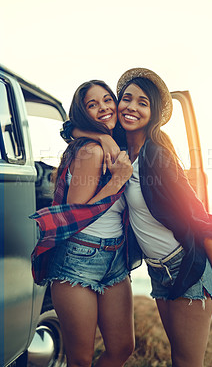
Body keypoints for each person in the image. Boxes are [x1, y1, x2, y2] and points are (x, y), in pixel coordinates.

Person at [65, 68, 212, 367]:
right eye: (127, 99)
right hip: (159, 272)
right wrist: (102, 139)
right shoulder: (120, 147)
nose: (131, 107)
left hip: (187, 265)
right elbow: (70, 128)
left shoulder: (157, 154)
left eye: (142, 103)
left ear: (153, 112)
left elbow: (199, 215)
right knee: (177, 357)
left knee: (187, 362)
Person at [30, 80, 134, 367]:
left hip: (114, 258)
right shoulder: (93, 151)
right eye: (92, 105)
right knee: (80, 359)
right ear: (84, 112)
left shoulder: (118, 143)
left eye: (107, 100)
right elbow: (78, 214)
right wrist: (117, 180)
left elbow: (66, 128)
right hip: (78, 257)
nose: (103, 108)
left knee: (123, 346)